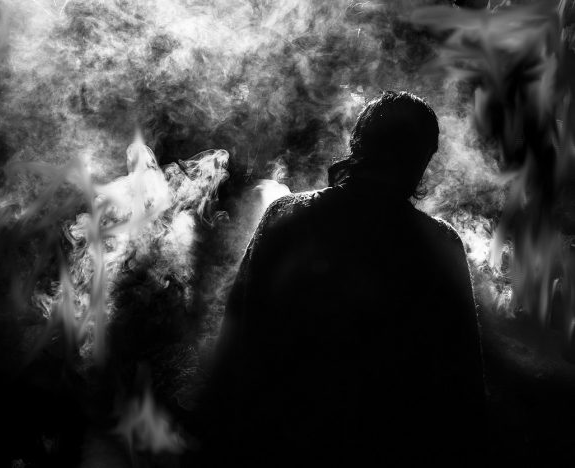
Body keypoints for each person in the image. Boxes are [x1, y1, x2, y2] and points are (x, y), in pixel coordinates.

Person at [193, 91, 485, 467]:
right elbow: (463, 386)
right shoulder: (440, 243)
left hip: (282, 442)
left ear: (357, 143)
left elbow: (237, 341)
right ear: (422, 160)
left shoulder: (289, 216)